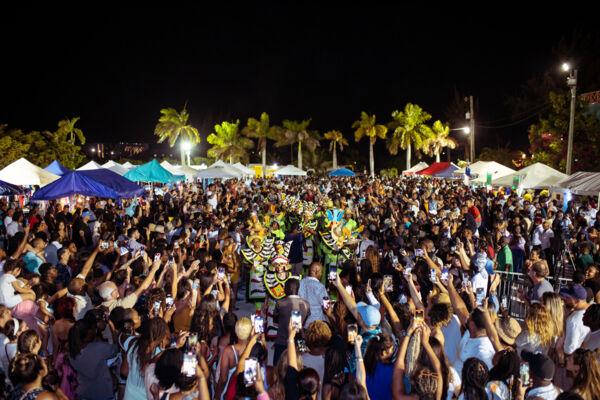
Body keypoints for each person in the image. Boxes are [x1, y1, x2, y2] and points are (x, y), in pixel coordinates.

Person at [68, 317, 119, 400]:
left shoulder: (72, 351)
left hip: (83, 392)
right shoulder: (99, 348)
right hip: (102, 393)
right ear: (89, 332)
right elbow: (116, 348)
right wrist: (112, 329)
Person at [272, 278, 310, 366]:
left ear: (290, 289)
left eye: (285, 287)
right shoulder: (306, 304)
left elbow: (275, 322)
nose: (283, 289)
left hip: (282, 341)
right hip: (299, 340)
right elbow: (305, 320)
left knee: (277, 366)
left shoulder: (280, 303)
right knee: (296, 366)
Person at [560, 285, 591, 357]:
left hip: (576, 360)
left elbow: (569, 349)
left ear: (577, 301)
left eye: (567, 297)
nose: (564, 299)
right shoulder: (594, 309)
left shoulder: (573, 321)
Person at [297, 262, 328, 326]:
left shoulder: (300, 283)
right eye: (321, 272)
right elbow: (326, 306)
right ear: (317, 272)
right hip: (316, 324)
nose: (321, 274)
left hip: (302, 322)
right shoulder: (320, 287)